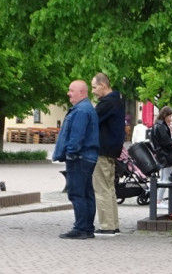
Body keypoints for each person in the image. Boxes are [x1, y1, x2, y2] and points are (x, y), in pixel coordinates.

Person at [51, 80, 100, 239]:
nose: (68, 93)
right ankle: (87, 229)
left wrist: (70, 154)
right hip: (88, 158)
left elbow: (76, 136)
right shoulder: (87, 108)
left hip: (79, 158)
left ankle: (80, 228)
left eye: (71, 90)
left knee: (77, 193)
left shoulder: (80, 110)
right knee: (86, 193)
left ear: (82, 92)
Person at [90, 73, 125, 236]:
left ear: (103, 85)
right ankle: (113, 224)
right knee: (109, 188)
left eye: (94, 87)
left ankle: (107, 226)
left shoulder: (107, 103)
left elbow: (91, 120)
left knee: (102, 188)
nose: (94, 91)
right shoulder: (117, 100)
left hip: (102, 150)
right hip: (112, 151)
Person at [150, 106, 172, 204]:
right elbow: (166, 142)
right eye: (170, 116)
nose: (170, 118)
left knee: (163, 177)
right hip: (165, 154)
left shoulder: (156, 125)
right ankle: (158, 200)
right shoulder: (161, 126)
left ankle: (158, 199)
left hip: (160, 154)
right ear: (164, 115)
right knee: (166, 178)